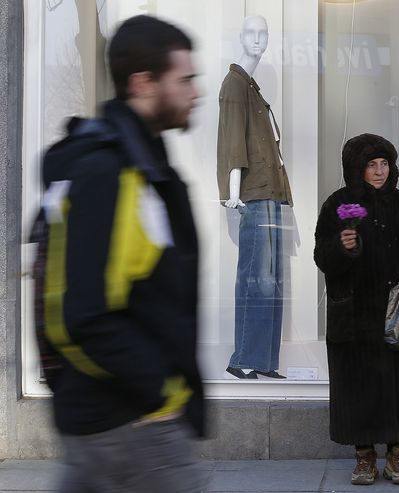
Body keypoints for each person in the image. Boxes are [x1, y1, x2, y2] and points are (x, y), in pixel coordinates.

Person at [34, 15, 206, 492]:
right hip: (131, 424)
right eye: (186, 79)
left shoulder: (138, 163)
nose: (197, 91)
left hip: (109, 419)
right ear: (143, 84)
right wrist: (163, 393)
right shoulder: (111, 173)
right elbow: (85, 314)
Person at [314, 134, 399, 486]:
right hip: (355, 312)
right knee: (359, 384)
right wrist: (342, 246)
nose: (380, 171)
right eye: (372, 165)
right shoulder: (337, 204)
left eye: (384, 163)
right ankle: (364, 456)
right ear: (357, 168)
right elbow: (322, 257)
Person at [217, 15, 292, 380]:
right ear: (241, 38)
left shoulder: (252, 88)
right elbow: (233, 141)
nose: (259, 39)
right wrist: (232, 194)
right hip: (254, 197)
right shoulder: (234, 85)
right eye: (252, 33)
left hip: (271, 196)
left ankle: (262, 360)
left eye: (264, 33)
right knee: (255, 279)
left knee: (271, 282)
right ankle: (244, 357)